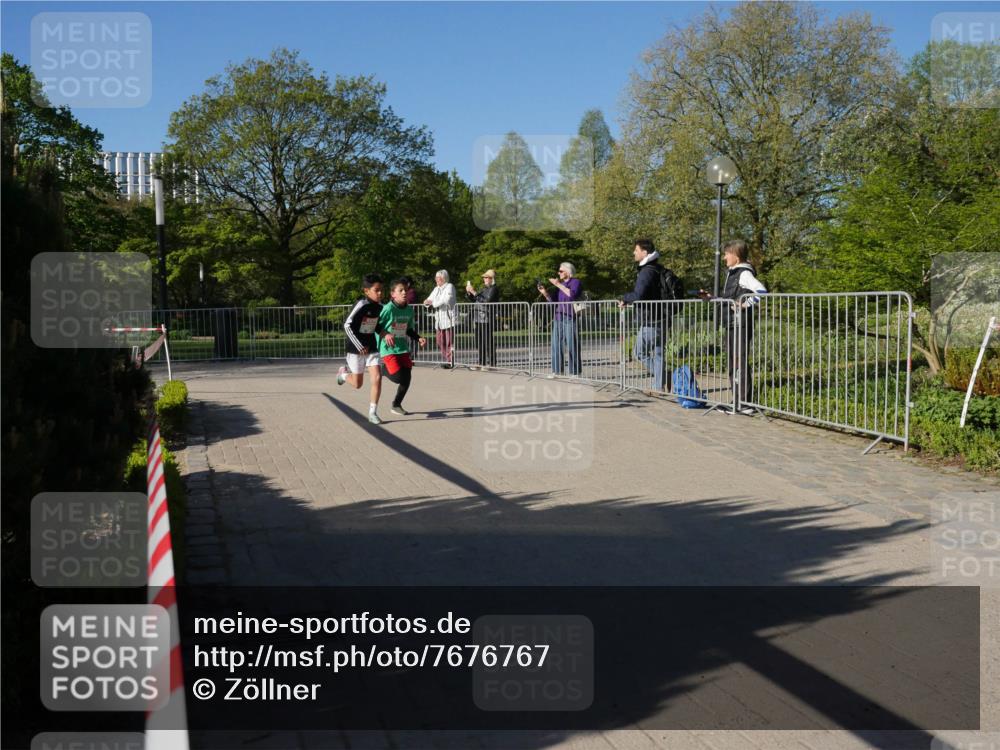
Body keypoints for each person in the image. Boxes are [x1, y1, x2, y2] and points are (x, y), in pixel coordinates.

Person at [698, 239, 766, 412]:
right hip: (732, 323)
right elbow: (730, 298)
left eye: (727, 254)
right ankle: (737, 401)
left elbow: (762, 291)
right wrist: (711, 298)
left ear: (736, 256)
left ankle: (744, 403)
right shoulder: (733, 273)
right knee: (733, 362)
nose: (724, 257)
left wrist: (745, 303)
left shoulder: (743, 274)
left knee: (739, 361)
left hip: (740, 324)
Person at [618, 239, 670, 390]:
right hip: (663, 317)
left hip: (651, 319)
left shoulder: (646, 271)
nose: (634, 252)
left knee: (638, 352)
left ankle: (662, 377)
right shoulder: (658, 268)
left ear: (645, 252)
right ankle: (658, 386)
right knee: (659, 354)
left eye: (636, 250)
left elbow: (639, 295)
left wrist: (624, 298)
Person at [337, 274, 386, 425]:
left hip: (371, 348)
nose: (380, 293)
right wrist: (359, 346)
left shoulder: (380, 307)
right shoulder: (361, 304)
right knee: (358, 384)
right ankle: (343, 375)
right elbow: (347, 325)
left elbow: (374, 324)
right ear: (366, 291)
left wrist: (384, 332)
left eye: (381, 290)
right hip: (355, 349)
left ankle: (373, 413)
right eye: (376, 290)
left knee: (377, 378)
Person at [378, 278, 427, 416]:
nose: (404, 292)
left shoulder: (409, 310)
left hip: (402, 348)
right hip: (388, 348)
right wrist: (386, 334)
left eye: (405, 290)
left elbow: (408, 329)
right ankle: (382, 370)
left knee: (407, 377)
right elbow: (377, 326)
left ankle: (396, 404)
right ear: (393, 294)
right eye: (401, 290)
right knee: (398, 378)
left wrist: (419, 338)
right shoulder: (388, 309)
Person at [537, 262, 582, 377]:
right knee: (556, 344)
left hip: (570, 316)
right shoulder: (560, 285)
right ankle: (557, 371)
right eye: (559, 271)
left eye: (561, 271)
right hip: (558, 316)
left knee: (572, 344)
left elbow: (572, 295)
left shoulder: (575, 282)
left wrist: (558, 284)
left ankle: (575, 372)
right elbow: (553, 302)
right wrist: (545, 293)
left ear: (568, 271)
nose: (559, 273)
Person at [465, 269, 500, 369]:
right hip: (478, 318)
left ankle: (492, 364)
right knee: (479, 341)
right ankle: (481, 362)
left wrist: (474, 292)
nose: (484, 279)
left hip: (487, 318)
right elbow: (474, 299)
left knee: (488, 341)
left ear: (491, 279)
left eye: (486, 277)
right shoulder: (483, 288)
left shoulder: (494, 289)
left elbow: (486, 301)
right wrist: (469, 293)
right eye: (484, 277)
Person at [424, 270, 457, 369]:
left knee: (449, 342)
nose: (436, 279)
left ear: (443, 278)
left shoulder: (449, 286)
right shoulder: (436, 288)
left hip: (448, 319)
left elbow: (446, 300)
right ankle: (447, 359)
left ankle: (450, 361)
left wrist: (433, 302)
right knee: (439, 341)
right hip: (439, 320)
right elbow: (428, 300)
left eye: (437, 277)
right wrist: (427, 302)